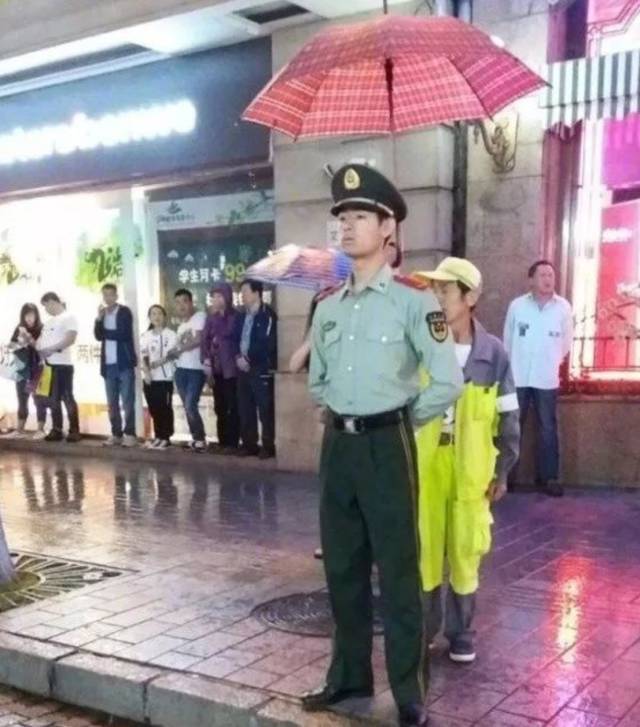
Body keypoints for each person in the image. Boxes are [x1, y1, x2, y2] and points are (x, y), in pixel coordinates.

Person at [305, 163, 463, 727]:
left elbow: (447, 380)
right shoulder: (327, 303)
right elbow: (317, 380)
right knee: (342, 568)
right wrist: (335, 407)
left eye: (359, 216)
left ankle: (409, 692)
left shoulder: (413, 300)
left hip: (388, 445)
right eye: (342, 217)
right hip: (338, 448)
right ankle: (348, 677)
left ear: (387, 226)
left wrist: (399, 418)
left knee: (398, 572)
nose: (346, 226)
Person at [415, 257, 520, 665]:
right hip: (426, 467)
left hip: (471, 471)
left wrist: (502, 471)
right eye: (434, 289)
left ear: (470, 296)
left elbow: (508, 417)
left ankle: (461, 633)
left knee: (465, 551)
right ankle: (424, 630)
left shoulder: (493, 354)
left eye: (445, 289)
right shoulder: (422, 345)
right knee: (424, 550)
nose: (437, 297)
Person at [503, 260, 573, 498]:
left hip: (546, 376)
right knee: (513, 425)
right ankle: (506, 477)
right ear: (531, 280)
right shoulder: (517, 306)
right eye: (542, 275)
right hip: (518, 375)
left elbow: (566, 343)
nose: (547, 279)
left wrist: (552, 361)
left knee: (548, 427)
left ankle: (549, 478)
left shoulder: (563, 307)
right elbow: (508, 340)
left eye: (551, 275)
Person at [233, 280, 277, 459]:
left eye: (245, 292)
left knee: (265, 409)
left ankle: (268, 445)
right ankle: (249, 444)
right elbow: (234, 339)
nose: (242, 296)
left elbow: (267, 342)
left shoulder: (267, 315)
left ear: (257, 293)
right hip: (242, 369)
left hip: (261, 368)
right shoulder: (241, 316)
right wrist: (238, 357)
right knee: (245, 407)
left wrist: (248, 358)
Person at [94, 283, 138, 447]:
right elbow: (98, 336)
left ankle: (130, 434)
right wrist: (98, 320)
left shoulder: (124, 311)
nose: (108, 298)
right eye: (105, 295)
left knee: (127, 401)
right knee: (112, 403)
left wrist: (105, 333)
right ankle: (116, 434)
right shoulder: (103, 313)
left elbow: (123, 334)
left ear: (116, 296)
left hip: (124, 363)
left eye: (111, 294)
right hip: (108, 365)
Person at [201, 282, 239, 454]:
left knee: (233, 406)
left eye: (219, 296)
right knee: (220, 406)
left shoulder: (236, 316)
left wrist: (219, 338)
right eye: (213, 297)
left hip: (232, 368)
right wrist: (206, 361)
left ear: (227, 297)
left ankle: (233, 442)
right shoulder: (211, 318)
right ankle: (222, 441)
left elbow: (232, 337)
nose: (215, 300)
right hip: (216, 368)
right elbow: (204, 341)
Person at [37, 292, 81, 442]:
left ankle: (74, 430)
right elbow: (40, 343)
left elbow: (70, 339)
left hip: (63, 365)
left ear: (52, 302)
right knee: (52, 400)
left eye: (46, 305)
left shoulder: (69, 317)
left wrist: (51, 349)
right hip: (48, 366)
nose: (46, 309)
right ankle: (56, 429)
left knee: (67, 397)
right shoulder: (48, 323)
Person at [170, 288, 207, 452]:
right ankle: (196, 439)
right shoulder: (181, 327)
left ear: (191, 302)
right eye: (178, 302)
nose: (181, 306)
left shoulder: (200, 317)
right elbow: (178, 348)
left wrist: (179, 349)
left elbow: (198, 340)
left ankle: (200, 439)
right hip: (181, 370)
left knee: (190, 404)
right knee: (187, 406)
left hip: (196, 370)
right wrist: (172, 353)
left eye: (185, 301)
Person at [6, 303, 47, 439]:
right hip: (22, 369)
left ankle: (40, 429)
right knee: (22, 398)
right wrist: (19, 342)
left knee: (38, 399)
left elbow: (41, 348)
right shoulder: (19, 328)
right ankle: (20, 430)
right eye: (26, 315)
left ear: (36, 315)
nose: (29, 318)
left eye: (31, 314)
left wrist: (28, 338)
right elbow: (11, 346)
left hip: (37, 368)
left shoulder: (42, 328)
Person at [140, 305, 177, 450]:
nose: (157, 317)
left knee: (164, 408)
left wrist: (154, 364)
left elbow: (171, 355)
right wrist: (147, 372)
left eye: (160, 313)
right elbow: (143, 354)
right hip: (150, 379)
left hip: (165, 378)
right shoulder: (145, 336)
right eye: (153, 314)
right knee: (154, 408)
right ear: (149, 317)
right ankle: (158, 436)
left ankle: (165, 437)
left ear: (164, 316)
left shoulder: (171, 334)